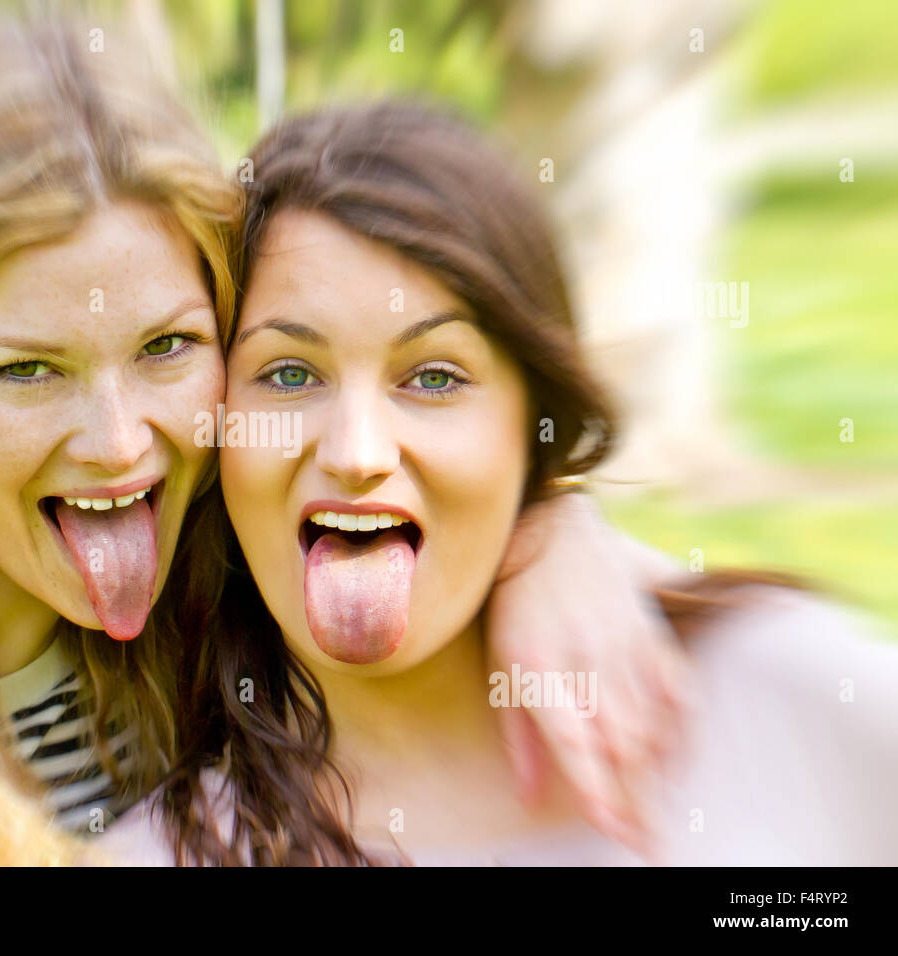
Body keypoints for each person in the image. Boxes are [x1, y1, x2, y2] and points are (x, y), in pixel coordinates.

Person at [0, 16, 682, 865]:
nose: (119, 444)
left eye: (167, 346)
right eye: (28, 369)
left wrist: (548, 528)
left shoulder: (208, 640)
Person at [97, 102, 898, 866]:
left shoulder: (802, 695)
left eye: (435, 378)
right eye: (291, 373)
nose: (357, 453)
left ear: (532, 426)